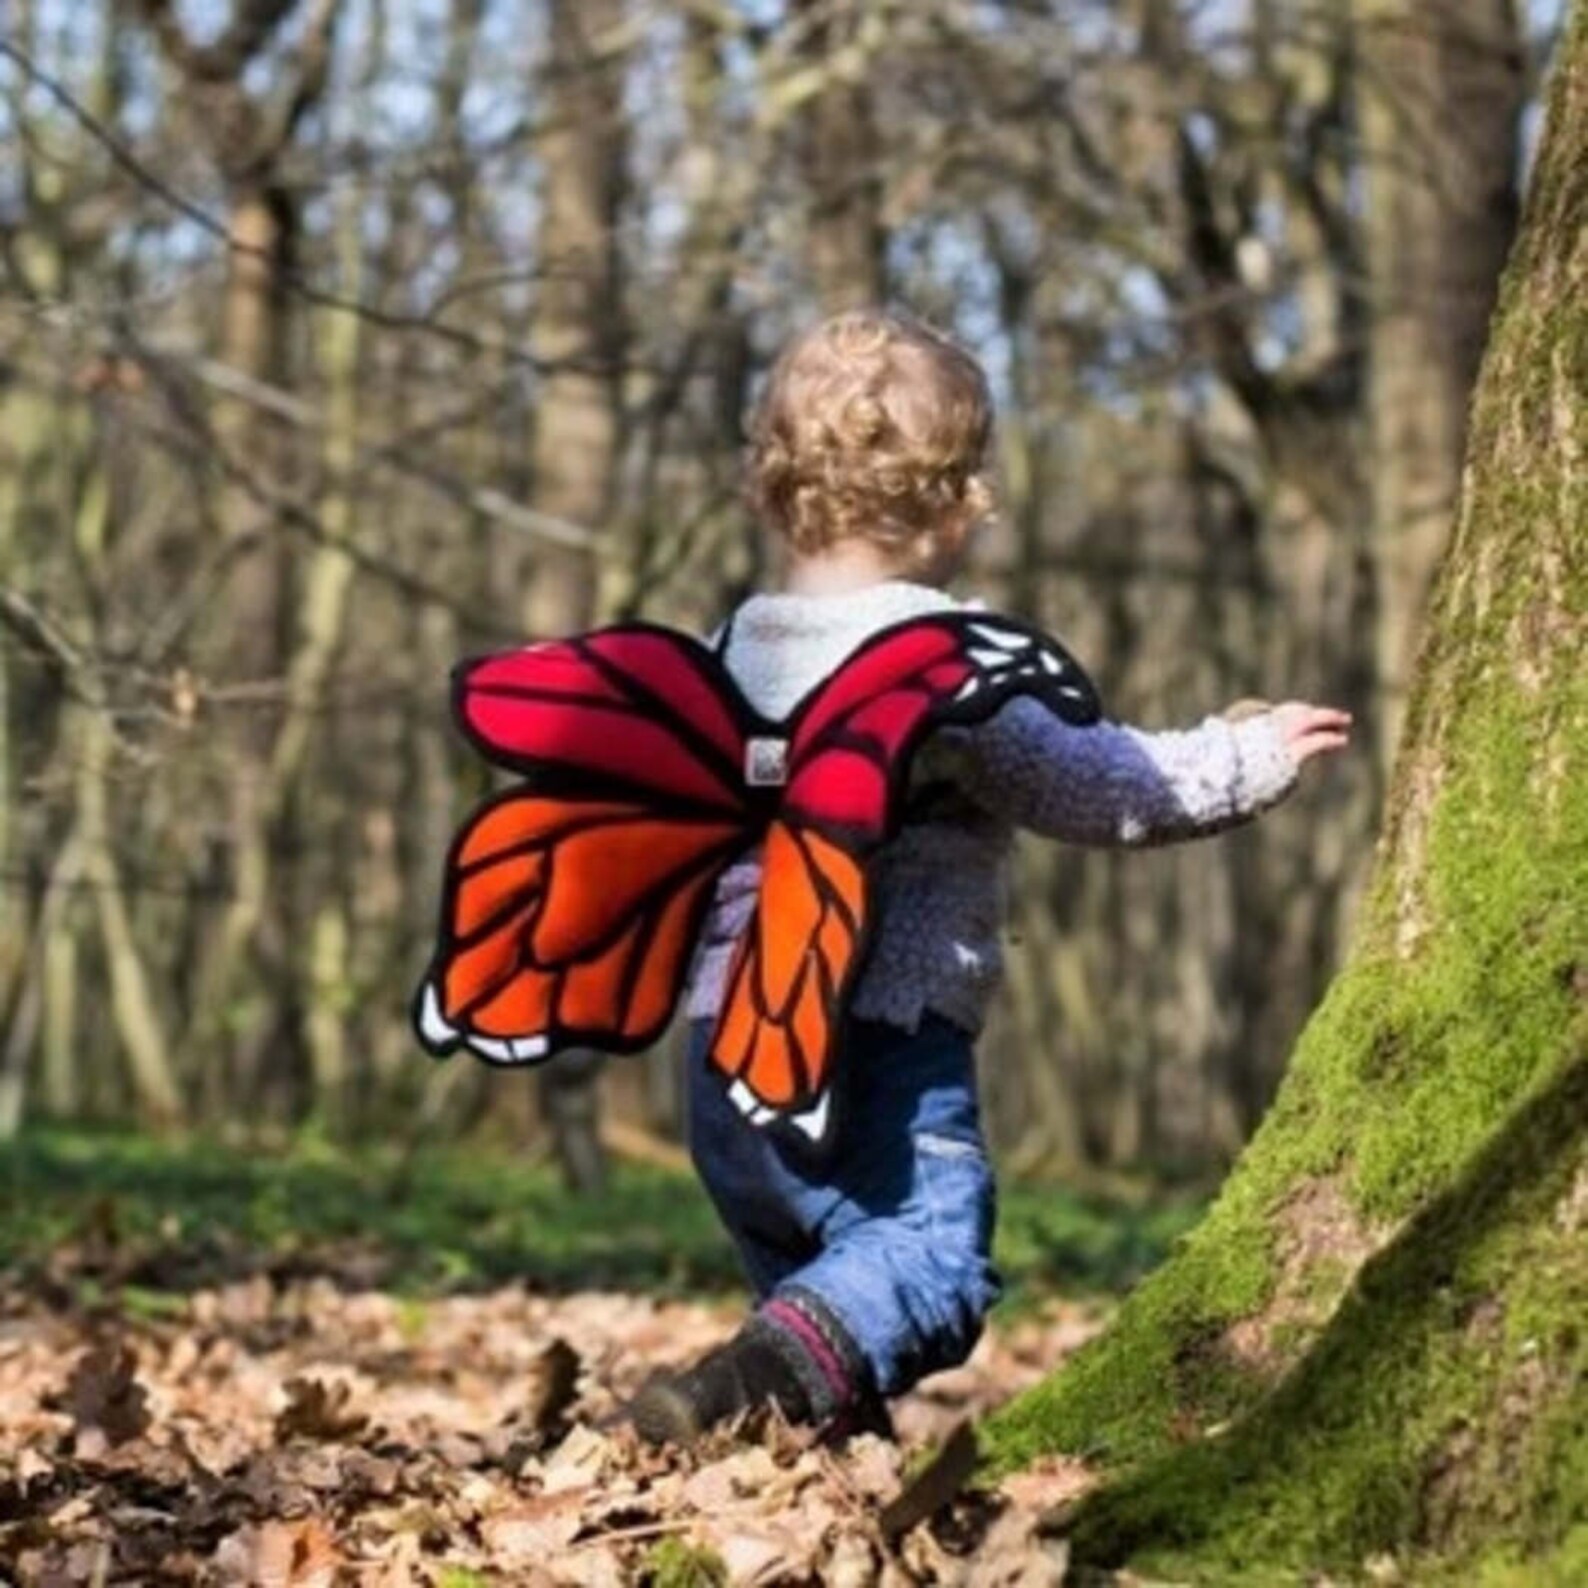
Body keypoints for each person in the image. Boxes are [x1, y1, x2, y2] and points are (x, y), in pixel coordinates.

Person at [625, 308, 1351, 1445]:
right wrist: (1249, 754)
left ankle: (790, 1468)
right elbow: (1097, 786)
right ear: (959, 501)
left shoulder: (720, 654)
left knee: (819, 1308)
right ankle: (736, 1396)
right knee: (929, 1262)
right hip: (877, 1033)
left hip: (725, 1048)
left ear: (766, 486)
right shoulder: (942, 668)